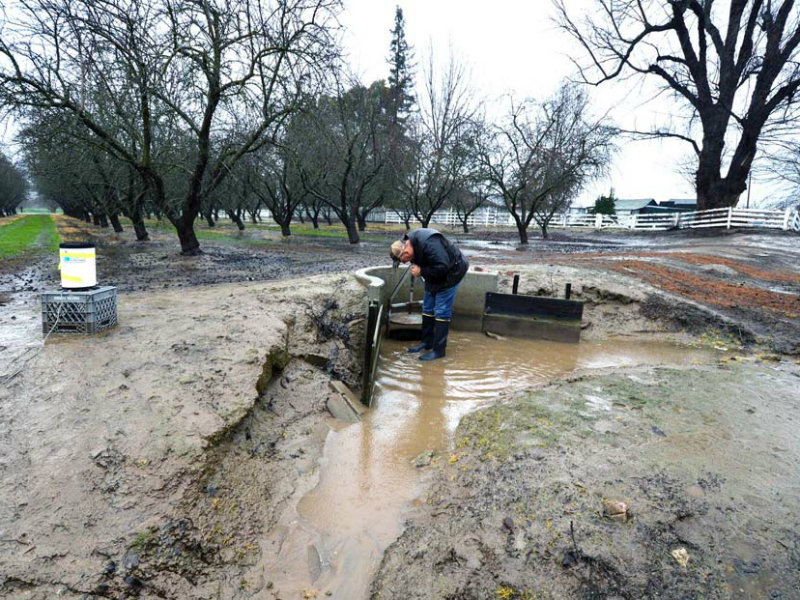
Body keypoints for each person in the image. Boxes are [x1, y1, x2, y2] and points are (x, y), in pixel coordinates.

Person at [390, 228, 469, 361]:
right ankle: (427, 342)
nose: (405, 263)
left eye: (403, 260)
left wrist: (421, 271)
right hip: (434, 271)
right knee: (427, 307)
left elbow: (443, 266)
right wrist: (423, 270)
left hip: (452, 271)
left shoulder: (430, 244)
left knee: (441, 311)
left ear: (406, 251)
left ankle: (439, 350)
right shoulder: (411, 242)